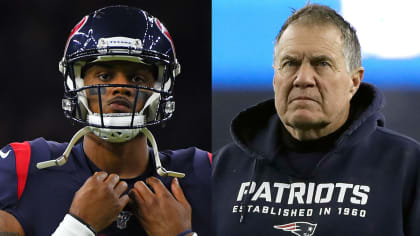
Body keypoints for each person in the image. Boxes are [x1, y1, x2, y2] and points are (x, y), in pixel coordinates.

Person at [0, 5, 211, 236]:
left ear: (160, 87)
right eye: (104, 75)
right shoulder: (23, 166)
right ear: (77, 83)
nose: (120, 87)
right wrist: (77, 228)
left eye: (136, 77)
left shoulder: (206, 173)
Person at [212, 3, 420, 236]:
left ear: (354, 82)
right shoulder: (224, 168)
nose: (303, 78)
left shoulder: (407, 166)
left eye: (322, 63)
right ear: (274, 77)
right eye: (290, 63)